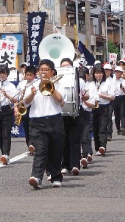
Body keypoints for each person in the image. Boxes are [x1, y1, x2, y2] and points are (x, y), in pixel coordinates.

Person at [25, 59, 65, 189]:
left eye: (46, 70)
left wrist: (50, 87)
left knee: (55, 150)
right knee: (40, 150)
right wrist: (32, 93)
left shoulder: (58, 84)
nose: (43, 72)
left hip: (54, 119)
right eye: (41, 70)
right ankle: (36, 176)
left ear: (52, 72)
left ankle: (56, 177)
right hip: (37, 120)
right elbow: (25, 103)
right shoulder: (33, 85)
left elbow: (60, 100)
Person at [60, 58, 85, 175]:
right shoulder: (56, 81)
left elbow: (85, 95)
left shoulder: (79, 80)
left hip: (75, 113)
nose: (65, 68)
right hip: (61, 115)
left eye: (67, 66)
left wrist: (85, 96)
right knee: (63, 141)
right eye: (63, 66)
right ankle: (65, 165)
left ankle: (75, 165)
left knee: (74, 140)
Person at [0, 65, 17, 164]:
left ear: (7, 74)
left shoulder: (11, 86)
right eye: (0, 73)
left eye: (3, 73)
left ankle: (6, 154)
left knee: (6, 133)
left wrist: (6, 95)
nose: (1, 75)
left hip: (7, 109)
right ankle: (3, 152)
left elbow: (15, 99)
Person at [92, 64, 115, 156]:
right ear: (93, 74)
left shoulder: (108, 83)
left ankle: (102, 146)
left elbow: (112, 97)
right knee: (95, 128)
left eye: (100, 73)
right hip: (93, 107)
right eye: (97, 73)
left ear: (103, 74)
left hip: (104, 107)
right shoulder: (91, 84)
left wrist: (102, 95)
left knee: (102, 127)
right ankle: (97, 147)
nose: (98, 75)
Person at [15, 66, 36, 155]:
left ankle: (33, 144)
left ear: (34, 75)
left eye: (30, 75)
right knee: (26, 127)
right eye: (27, 75)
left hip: (33, 106)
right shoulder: (21, 84)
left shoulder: (37, 83)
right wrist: (16, 107)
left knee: (33, 127)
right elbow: (17, 97)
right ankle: (29, 146)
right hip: (23, 106)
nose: (28, 77)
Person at [79, 67, 96, 168]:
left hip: (87, 111)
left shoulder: (91, 86)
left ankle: (87, 153)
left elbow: (93, 103)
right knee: (76, 136)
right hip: (76, 112)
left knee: (86, 134)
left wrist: (84, 101)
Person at [103, 63, 115, 141]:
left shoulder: (112, 80)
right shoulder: (100, 80)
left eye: (108, 70)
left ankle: (109, 134)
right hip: (102, 102)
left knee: (109, 117)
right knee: (102, 118)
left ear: (111, 71)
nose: (107, 71)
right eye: (105, 70)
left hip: (110, 101)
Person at [112, 66, 125, 135]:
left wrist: (122, 88)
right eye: (116, 72)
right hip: (114, 98)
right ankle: (118, 129)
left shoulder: (123, 81)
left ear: (121, 73)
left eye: (119, 72)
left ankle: (123, 127)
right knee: (116, 114)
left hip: (122, 98)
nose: (117, 73)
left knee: (122, 113)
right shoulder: (112, 80)